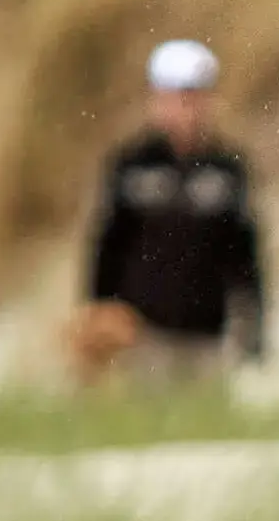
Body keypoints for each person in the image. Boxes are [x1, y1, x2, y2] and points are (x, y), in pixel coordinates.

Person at [77, 38, 266, 383]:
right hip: (143, 334)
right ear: (156, 101)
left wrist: (253, 326)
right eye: (173, 99)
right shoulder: (132, 165)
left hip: (208, 331)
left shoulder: (226, 170)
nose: (184, 109)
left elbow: (244, 252)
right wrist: (97, 307)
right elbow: (108, 243)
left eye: (192, 98)